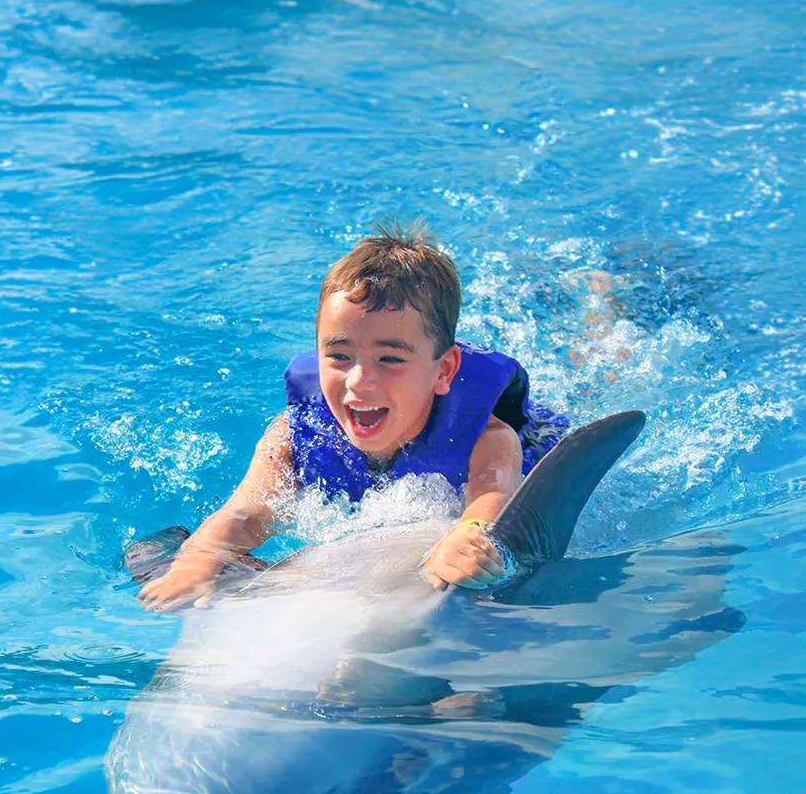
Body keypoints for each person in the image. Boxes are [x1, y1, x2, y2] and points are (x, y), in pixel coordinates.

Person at [137, 225, 569, 612]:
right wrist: (198, 559)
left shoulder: (489, 438)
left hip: (539, 438)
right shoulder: (292, 435)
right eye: (340, 356)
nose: (359, 383)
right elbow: (248, 512)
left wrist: (466, 536)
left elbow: (488, 503)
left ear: (444, 371)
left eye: (389, 359)